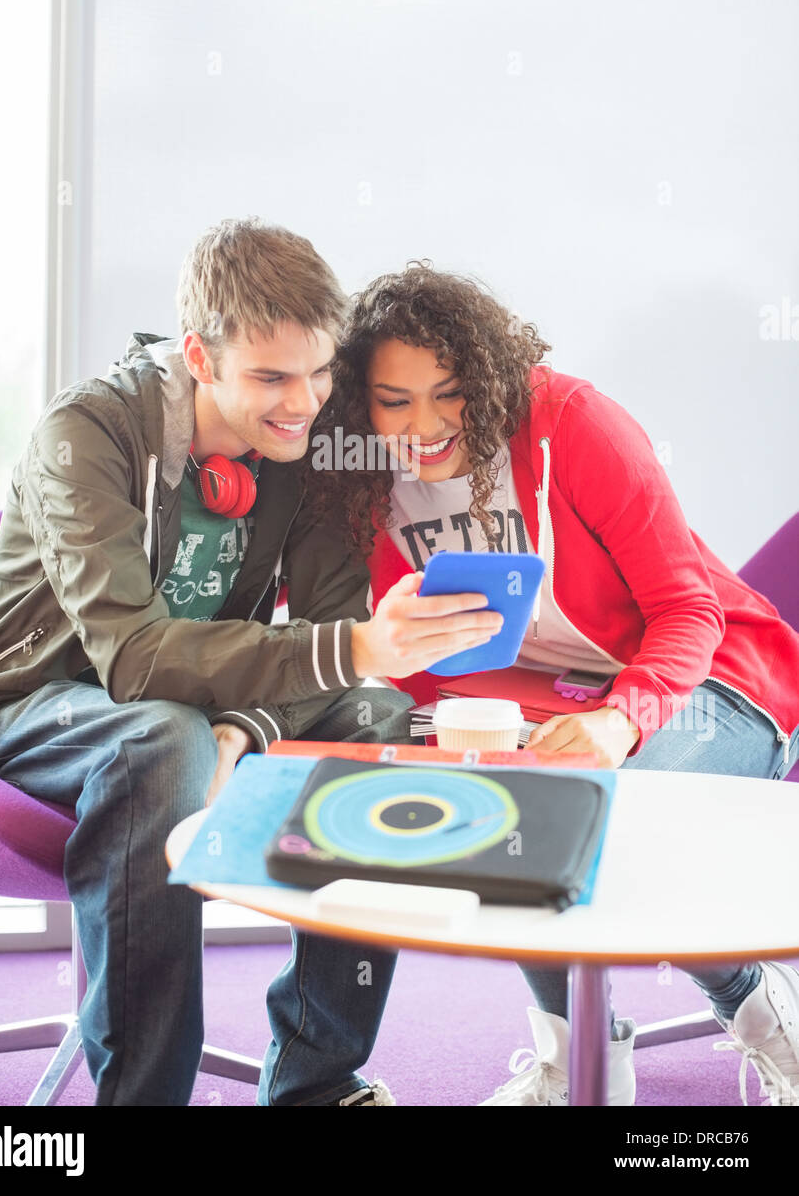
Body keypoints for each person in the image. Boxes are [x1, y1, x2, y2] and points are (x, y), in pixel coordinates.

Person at [0, 222, 503, 1107]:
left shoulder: (307, 442)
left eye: (318, 374)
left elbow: (332, 628)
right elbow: (135, 658)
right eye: (271, 378)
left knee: (380, 713)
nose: (305, 403)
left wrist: (250, 724)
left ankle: (315, 1079)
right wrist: (343, 653)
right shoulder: (86, 434)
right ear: (199, 355)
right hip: (24, 709)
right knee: (163, 737)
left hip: (195, 717)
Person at [304, 259, 799, 1108]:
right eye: (395, 400)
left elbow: (687, 609)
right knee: (519, 824)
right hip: (545, 698)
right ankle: (580, 1061)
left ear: (486, 376)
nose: (424, 425)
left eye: (449, 391)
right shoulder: (365, 477)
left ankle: (758, 1015)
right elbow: (408, 648)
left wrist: (622, 722)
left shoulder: (572, 423)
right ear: (360, 401)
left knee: (622, 826)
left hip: (714, 680)